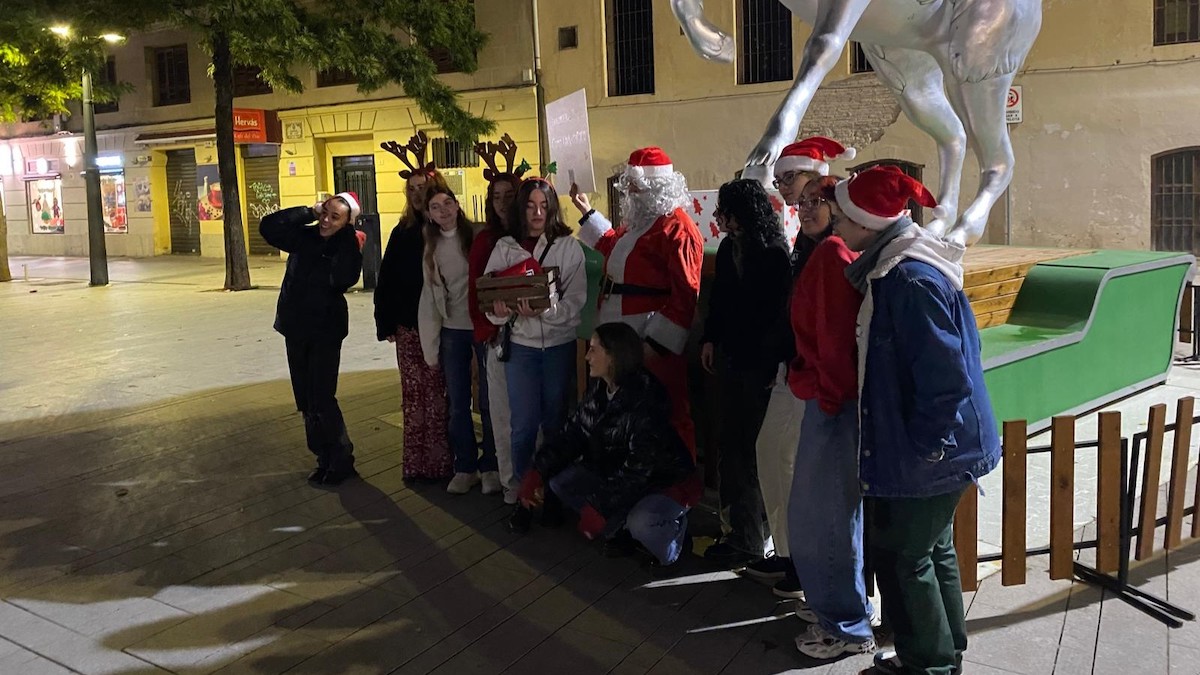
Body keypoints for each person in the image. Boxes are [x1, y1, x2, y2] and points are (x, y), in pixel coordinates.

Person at [830, 165, 1000, 675]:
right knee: (933, 546)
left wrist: (928, 446)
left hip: (932, 448)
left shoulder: (909, 278)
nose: (834, 225)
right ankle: (948, 648)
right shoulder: (899, 268)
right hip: (938, 444)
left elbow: (944, 377)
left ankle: (929, 663)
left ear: (867, 222)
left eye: (840, 217)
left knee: (907, 556)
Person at [750, 137, 857, 598]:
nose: (790, 193)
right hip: (792, 369)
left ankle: (805, 565)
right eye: (782, 183)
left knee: (793, 466)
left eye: (790, 180)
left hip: (812, 380)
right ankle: (791, 554)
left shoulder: (833, 246)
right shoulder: (806, 238)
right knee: (770, 454)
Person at [518, 322, 702, 572]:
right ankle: (621, 530)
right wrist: (537, 470)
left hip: (665, 482)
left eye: (594, 349)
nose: (587, 355)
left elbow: (639, 469)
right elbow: (572, 434)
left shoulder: (645, 400)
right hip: (619, 474)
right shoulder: (600, 390)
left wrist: (600, 507)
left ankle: (674, 544)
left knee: (642, 522)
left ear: (614, 356)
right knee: (562, 483)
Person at [784, 175, 878, 659]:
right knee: (829, 512)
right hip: (830, 398)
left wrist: (827, 396)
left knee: (824, 514)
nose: (806, 208)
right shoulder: (828, 253)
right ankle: (841, 609)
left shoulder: (832, 256)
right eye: (801, 201)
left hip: (832, 403)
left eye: (818, 201)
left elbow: (836, 340)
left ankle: (846, 624)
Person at [569, 147, 704, 456]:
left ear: (657, 187)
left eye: (635, 186)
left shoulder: (678, 228)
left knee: (667, 408)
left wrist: (656, 343)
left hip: (648, 338)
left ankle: (677, 484)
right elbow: (609, 245)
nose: (629, 191)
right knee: (623, 411)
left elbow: (685, 293)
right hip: (622, 336)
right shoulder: (638, 224)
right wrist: (586, 211)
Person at [484, 178, 588, 533]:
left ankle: (554, 494)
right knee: (523, 426)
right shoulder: (505, 247)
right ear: (520, 209)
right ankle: (521, 495)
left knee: (556, 423)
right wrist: (500, 310)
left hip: (558, 346)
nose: (538, 213)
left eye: (544, 205)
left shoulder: (567, 248)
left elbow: (576, 304)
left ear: (553, 208)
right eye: (530, 206)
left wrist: (544, 311)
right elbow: (489, 300)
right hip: (523, 350)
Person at [698, 179, 792, 568]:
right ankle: (739, 531)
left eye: (726, 213)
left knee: (751, 451)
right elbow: (718, 303)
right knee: (730, 446)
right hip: (732, 360)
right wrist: (709, 338)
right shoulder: (725, 252)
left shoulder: (773, 255)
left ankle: (755, 536)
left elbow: (779, 316)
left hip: (759, 366)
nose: (721, 221)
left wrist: (773, 362)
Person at [259, 192, 364, 487]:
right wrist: (307, 211)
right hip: (295, 326)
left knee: (322, 397)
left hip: (325, 331)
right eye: (325, 212)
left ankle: (341, 458)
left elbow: (344, 278)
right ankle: (323, 457)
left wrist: (346, 240)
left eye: (335, 217)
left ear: (346, 222)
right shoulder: (304, 236)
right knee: (305, 398)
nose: (326, 221)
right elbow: (269, 227)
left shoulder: (347, 245)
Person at [374, 156, 455, 482]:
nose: (418, 194)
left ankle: (441, 462)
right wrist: (386, 322)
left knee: (438, 394)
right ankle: (417, 463)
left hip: (442, 325)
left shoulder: (447, 230)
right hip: (408, 325)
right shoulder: (403, 231)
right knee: (413, 395)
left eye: (424, 187)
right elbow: (387, 278)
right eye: (413, 189)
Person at [417, 183, 500, 495]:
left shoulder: (477, 236)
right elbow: (430, 296)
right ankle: (465, 466)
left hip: (482, 327)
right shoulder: (431, 247)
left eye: (448, 203)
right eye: (436, 207)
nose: (444, 211)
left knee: (490, 401)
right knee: (457, 402)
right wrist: (431, 345)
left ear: (457, 204)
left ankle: (490, 464)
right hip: (453, 330)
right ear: (428, 214)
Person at [469, 136, 528, 505]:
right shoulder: (486, 240)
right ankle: (502, 475)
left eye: (510, 196)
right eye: (497, 197)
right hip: (496, 338)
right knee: (497, 411)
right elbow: (477, 292)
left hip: (534, 341)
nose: (503, 202)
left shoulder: (533, 235)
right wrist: (488, 330)